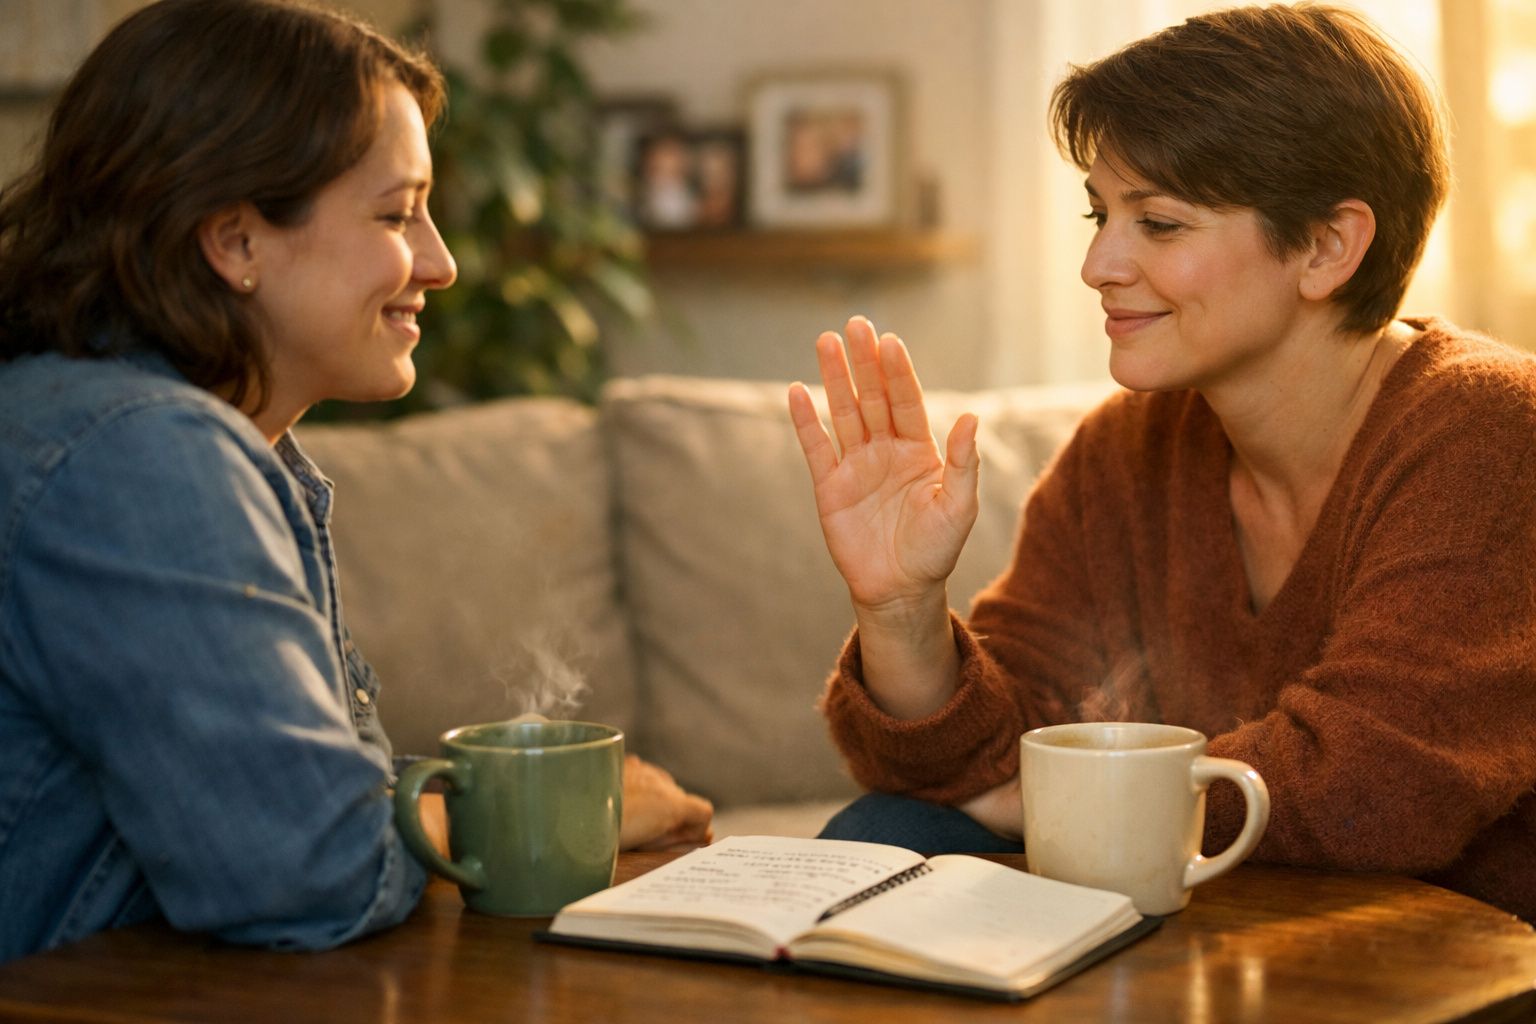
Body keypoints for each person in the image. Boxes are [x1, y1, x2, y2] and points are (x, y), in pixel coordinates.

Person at [789, 3, 1536, 923]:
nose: (1099, 262)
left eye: (1161, 224)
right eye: (1102, 214)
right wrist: (899, 609)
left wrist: (1063, 795)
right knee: (890, 829)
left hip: (1444, 951)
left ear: (1327, 246)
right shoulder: (1127, 452)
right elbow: (961, 770)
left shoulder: (1493, 432)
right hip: (1220, 925)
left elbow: (1375, 787)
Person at [0, 0, 709, 965]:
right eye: (395, 213)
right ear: (237, 240)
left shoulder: (193, 441)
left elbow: (300, 788)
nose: (442, 262)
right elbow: (305, 867)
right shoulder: (141, 458)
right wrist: (554, 807)